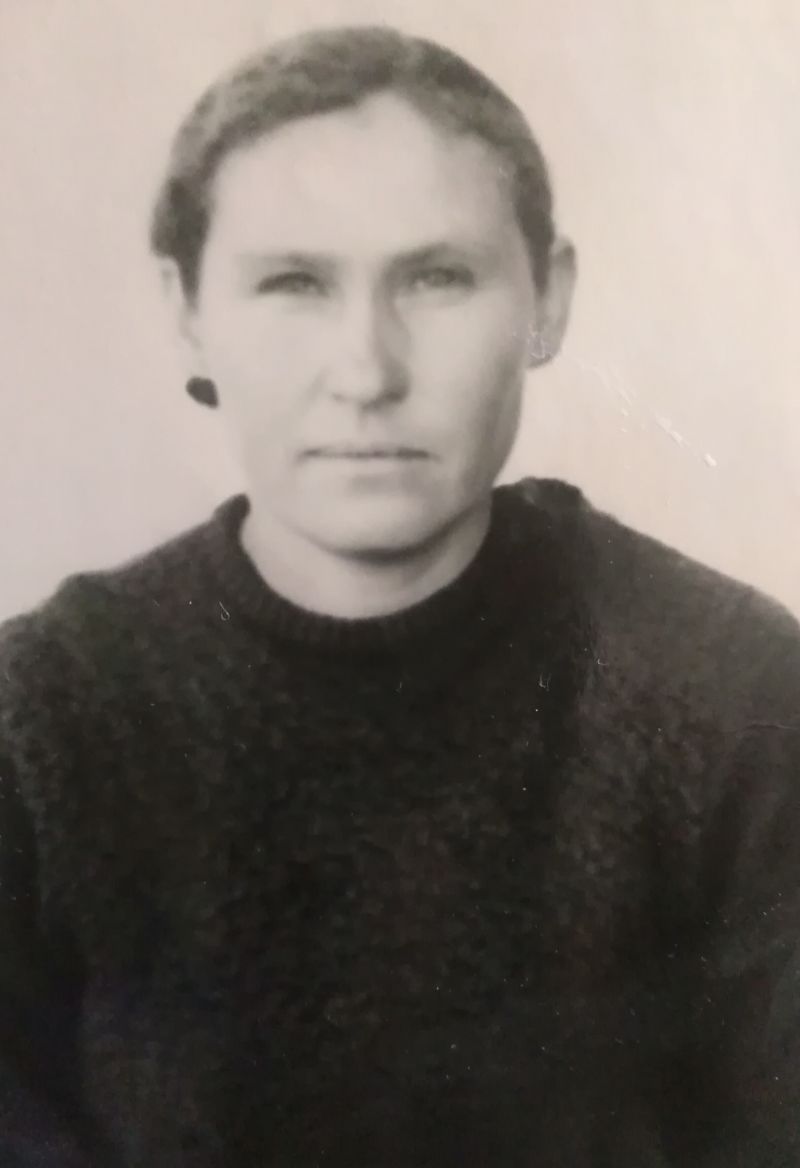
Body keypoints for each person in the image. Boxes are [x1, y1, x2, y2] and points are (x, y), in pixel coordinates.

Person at [1, 22, 799, 1168]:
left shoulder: (733, 696)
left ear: (546, 299)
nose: (366, 372)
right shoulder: (43, 718)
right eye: (293, 283)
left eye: (436, 278)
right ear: (187, 312)